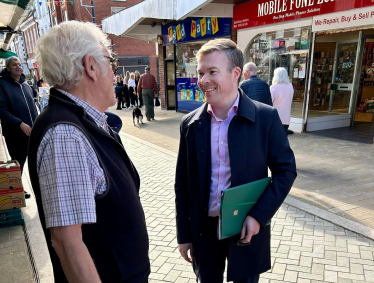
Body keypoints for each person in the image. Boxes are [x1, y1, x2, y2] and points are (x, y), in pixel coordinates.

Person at [28, 21, 150, 283]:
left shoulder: (83, 121)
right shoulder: (65, 133)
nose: (113, 69)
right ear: (91, 66)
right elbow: (67, 243)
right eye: (111, 60)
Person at [174, 39, 296, 283]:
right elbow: (182, 185)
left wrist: (259, 216)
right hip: (204, 230)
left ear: (235, 73)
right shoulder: (190, 124)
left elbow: (286, 171)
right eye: (200, 72)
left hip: (246, 226)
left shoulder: (266, 118)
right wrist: (183, 235)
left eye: (212, 72)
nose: (203, 80)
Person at [0, 57, 38, 199]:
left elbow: (33, 108)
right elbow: (1, 110)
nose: (18, 67)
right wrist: (19, 124)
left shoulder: (25, 85)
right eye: (14, 65)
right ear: (8, 69)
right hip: (15, 134)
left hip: (31, 132)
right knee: (18, 163)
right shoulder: (2, 85)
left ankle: (35, 187)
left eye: (19, 64)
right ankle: (15, 191)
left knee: (34, 162)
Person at [270, 67, 294, 134]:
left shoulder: (273, 87)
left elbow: (270, 102)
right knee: (283, 140)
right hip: (286, 118)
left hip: (275, 118)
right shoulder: (290, 86)